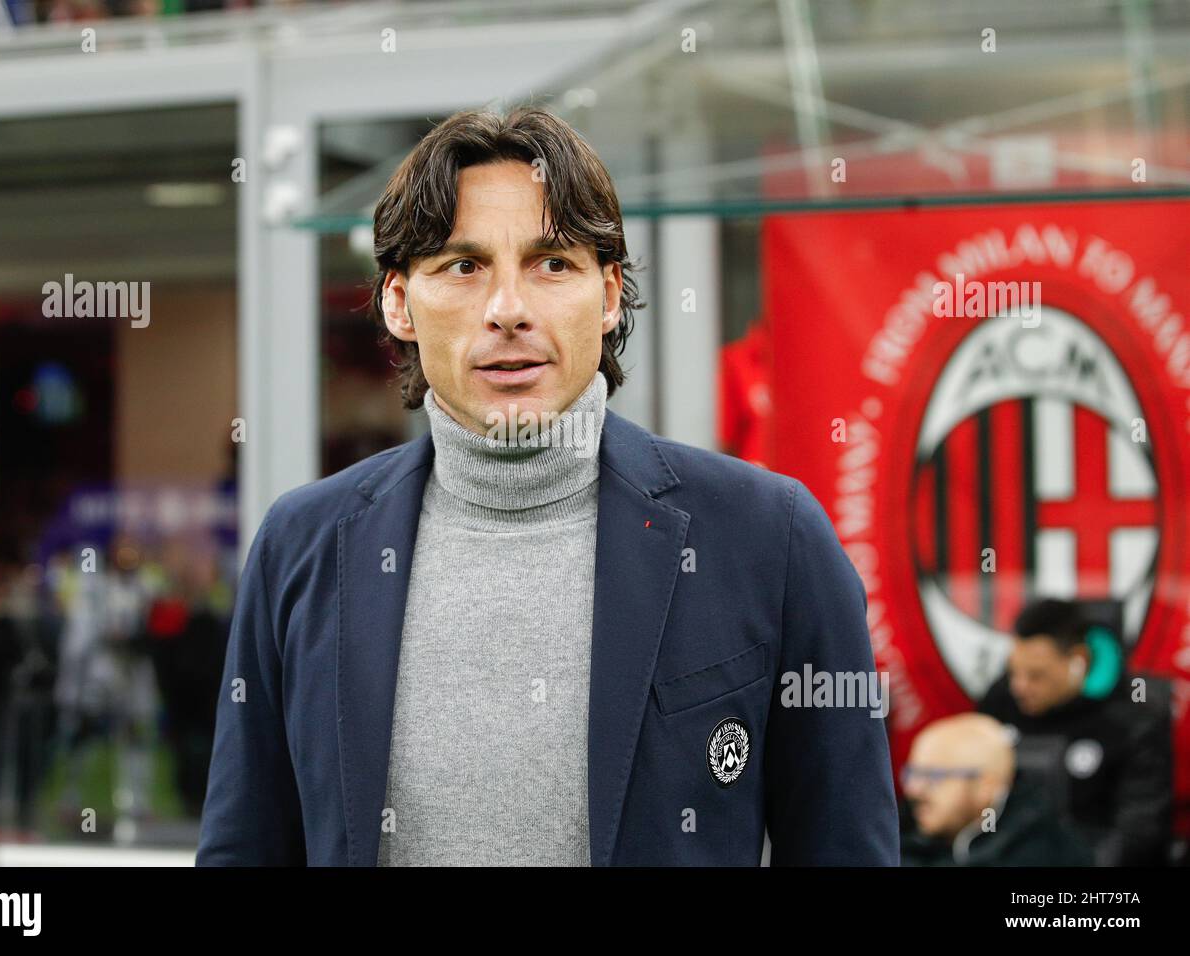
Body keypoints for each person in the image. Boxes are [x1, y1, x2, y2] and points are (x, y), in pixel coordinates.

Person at [197, 106, 898, 866]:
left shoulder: (771, 539)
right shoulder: (303, 547)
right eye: (463, 267)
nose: (508, 311)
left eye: (552, 263)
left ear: (606, 295)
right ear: (399, 303)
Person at [978, 597, 1172, 866]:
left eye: (1036, 675)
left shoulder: (1132, 721)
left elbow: (1140, 830)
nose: (1019, 687)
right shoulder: (1001, 701)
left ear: (1077, 660)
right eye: (1014, 673)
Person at [900, 713, 1093, 866]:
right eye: (912, 773)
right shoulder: (902, 827)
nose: (914, 790)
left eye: (934, 776)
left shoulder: (1040, 848)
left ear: (985, 787)